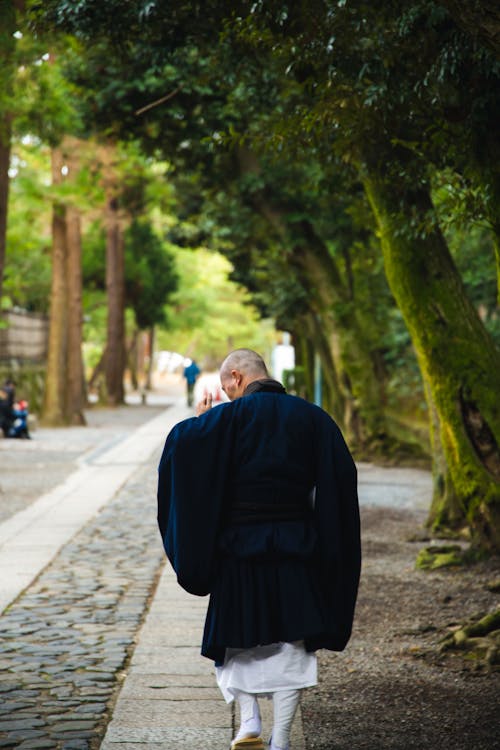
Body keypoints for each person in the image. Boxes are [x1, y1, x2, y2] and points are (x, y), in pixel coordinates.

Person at [157, 349, 360, 750]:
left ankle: (248, 721)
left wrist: (200, 421)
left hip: (239, 548)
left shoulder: (221, 421)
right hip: (296, 545)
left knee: (235, 640)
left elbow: (182, 451)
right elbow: (339, 484)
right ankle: (280, 738)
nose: (227, 395)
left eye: (226, 387)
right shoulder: (313, 418)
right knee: (291, 646)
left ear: (236, 377)